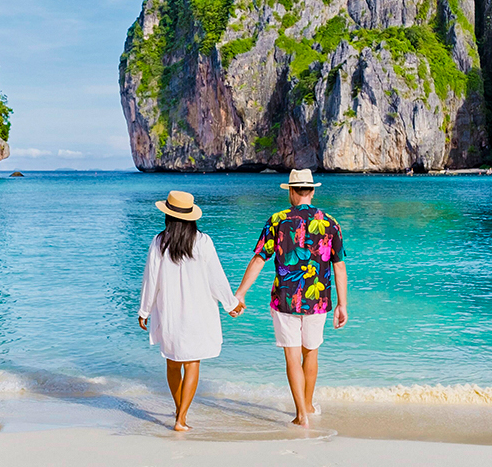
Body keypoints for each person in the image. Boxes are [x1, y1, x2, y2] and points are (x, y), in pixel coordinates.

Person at [232, 169, 348, 427]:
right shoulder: (330, 222)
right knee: (312, 353)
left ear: (292, 192)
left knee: (292, 356)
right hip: (318, 300)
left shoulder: (277, 220)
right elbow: (339, 266)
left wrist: (240, 293)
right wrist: (343, 304)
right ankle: (308, 404)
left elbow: (260, 258)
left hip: (284, 299)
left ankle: (301, 415)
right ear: (313, 191)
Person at [137, 190, 245, 431]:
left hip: (170, 313)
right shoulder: (203, 242)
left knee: (173, 363)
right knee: (192, 363)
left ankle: (179, 410)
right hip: (198, 313)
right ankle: (181, 418)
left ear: (168, 216)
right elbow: (216, 278)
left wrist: (144, 310)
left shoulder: (159, 242)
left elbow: (150, 280)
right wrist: (231, 304)